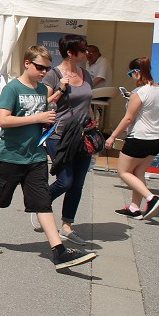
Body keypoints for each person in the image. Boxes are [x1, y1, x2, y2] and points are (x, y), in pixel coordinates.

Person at [0, 45, 97, 271]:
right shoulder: (12, 89)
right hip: (12, 154)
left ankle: (59, 251)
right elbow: (4, 120)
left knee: (42, 201)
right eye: (39, 67)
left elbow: (38, 112)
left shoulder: (42, 90)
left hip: (35, 155)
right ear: (27, 63)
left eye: (47, 68)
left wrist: (46, 118)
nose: (43, 72)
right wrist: (37, 117)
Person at [32, 34, 94, 245]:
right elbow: (43, 103)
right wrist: (60, 90)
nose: (87, 53)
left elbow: (88, 105)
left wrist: (94, 129)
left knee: (77, 184)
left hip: (83, 136)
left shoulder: (86, 74)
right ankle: (40, 205)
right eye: (83, 49)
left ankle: (67, 226)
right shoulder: (53, 75)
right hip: (59, 135)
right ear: (70, 52)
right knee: (65, 181)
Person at [106, 57, 159, 221]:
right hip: (157, 138)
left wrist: (112, 136)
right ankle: (134, 208)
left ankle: (151, 198)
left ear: (136, 72)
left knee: (123, 172)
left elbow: (128, 118)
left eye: (130, 74)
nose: (131, 77)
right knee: (138, 171)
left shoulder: (138, 93)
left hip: (139, 138)